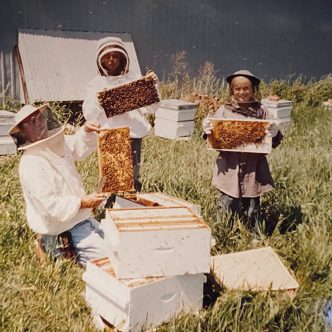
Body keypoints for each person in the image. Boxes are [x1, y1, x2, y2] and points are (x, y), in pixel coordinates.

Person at [9, 104, 107, 266]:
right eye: (31, 122)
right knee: (111, 261)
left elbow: (77, 146)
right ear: (22, 132)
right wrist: (83, 202)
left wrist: (86, 131)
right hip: (64, 228)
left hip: (83, 219)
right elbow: (50, 206)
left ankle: (47, 243)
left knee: (122, 246)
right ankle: (50, 244)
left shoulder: (54, 143)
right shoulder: (31, 163)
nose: (39, 122)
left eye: (39, 118)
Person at [202, 70, 283, 231]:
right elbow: (212, 137)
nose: (242, 93)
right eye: (237, 89)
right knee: (227, 201)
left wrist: (275, 133)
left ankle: (254, 234)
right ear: (232, 90)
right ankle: (221, 232)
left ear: (253, 89)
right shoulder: (224, 111)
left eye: (246, 89)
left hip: (254, 166)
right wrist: (207, 130)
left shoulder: (262, 111)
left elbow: (274, 140)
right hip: (229, 165)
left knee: (253, 203)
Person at [82, 36, 159, 192]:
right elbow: (88, 115)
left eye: (115, 56)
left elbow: (152, 108)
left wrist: (153, 87)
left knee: (133, 176)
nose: (111, 60)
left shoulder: (135, 78)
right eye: (107, 57)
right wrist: (99, 101)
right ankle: (109, 208)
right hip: (110, 135)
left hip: (133, 135)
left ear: (122, 58)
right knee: (110, 175)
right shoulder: (95, 83)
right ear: (100, 60)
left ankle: (131, 206)